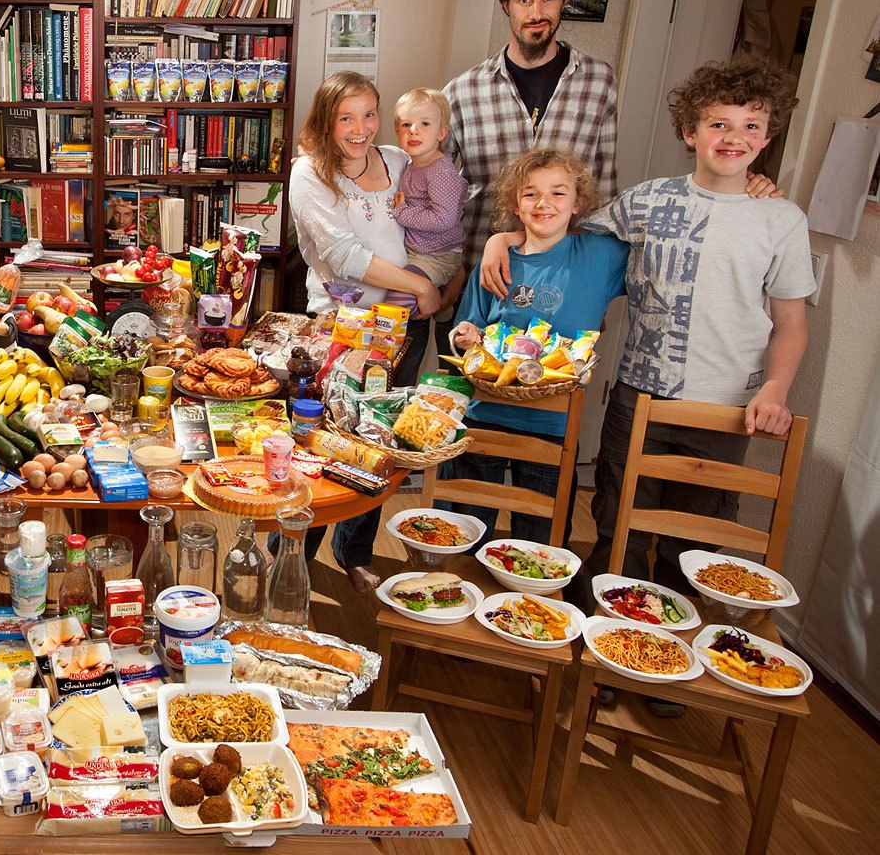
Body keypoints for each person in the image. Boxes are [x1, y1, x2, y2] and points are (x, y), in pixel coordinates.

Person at [478, 60, 811, 618]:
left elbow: (791, 322)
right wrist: (504, 236)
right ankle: (605, 645)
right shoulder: (646, 203)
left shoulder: (781, 220)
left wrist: (776, 387)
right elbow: (563, 225)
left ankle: (665, 658)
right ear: (689, 132)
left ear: (768, 137)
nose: (733, 138)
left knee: (693, 544)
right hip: (640, 397)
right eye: (718, 124)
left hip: (728, 407)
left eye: (751, 126)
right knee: (619, 528)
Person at [287, 70, 445, 592]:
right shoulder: (309, 173)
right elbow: (341, 255)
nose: (359, 129)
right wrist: (419, 286)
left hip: (401, 329)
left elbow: (440, 227)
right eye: (345, 117)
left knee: (380, 441)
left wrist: (432, 278)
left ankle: (354, 550)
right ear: (326, 122)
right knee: (324, 438)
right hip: (339, 327)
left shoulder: (399, 162)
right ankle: (290, 555)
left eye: (369, 115)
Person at [438, 148, 626, 544]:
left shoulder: (601, 256)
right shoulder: (495, 263)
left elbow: (656, 239)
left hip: (554, 426)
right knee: (465, 530)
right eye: (530, 194)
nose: (544, 204)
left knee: (540, 540)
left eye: (558, 193)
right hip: (484, 415)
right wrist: (465, 337)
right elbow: (463, 331)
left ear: (578, 204)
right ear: (514, 204)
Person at [441, 0, 619, 337]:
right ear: (506, 4)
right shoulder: (462, 91)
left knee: (550, 393)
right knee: (465, 393)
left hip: (562, 289)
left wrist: (593, 291)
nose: (536, 11)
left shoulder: (598, 82)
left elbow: (604, 191)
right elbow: (431, 185)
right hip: (479, 280)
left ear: (565, 1)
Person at [384, 88, 467, 314]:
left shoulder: (439, 170)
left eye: (424, 124)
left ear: (442, 133)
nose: (414, 131)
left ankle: (438, 307)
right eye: (405, 125)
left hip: (437, 255)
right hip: (417, 251)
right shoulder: (412, 163)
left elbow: (444, 219)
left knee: (396, 303)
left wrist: (402, 213)